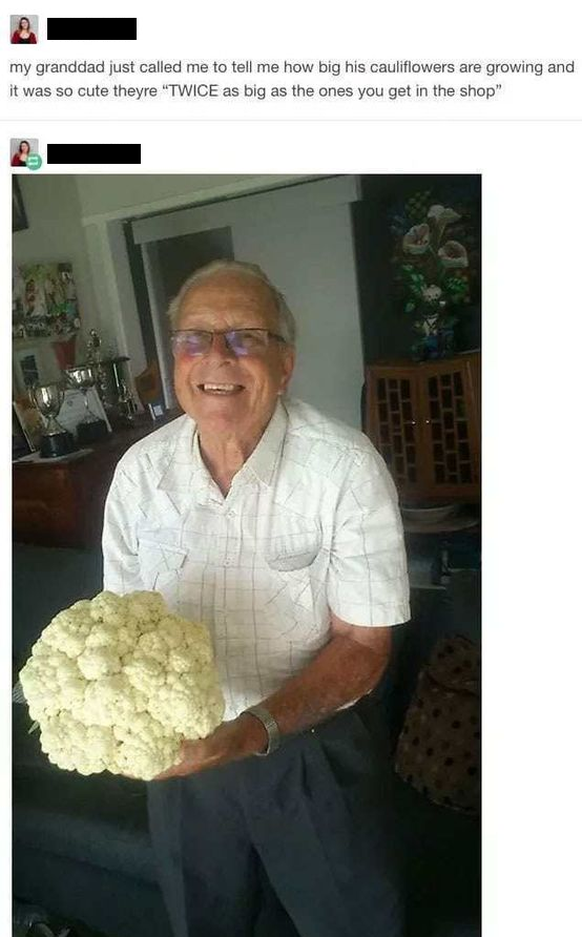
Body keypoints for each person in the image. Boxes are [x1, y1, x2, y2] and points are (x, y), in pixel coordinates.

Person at [102, 260, 410, 937]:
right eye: (194, 337)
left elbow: (364, 645)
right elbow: (119, 626)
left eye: (245, 336)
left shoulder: (344, 468)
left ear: (285, 362)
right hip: (185, 756)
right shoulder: (138, 474)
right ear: (175, 358)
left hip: (310, 752)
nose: (217, 356)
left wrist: (250, 731)